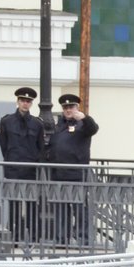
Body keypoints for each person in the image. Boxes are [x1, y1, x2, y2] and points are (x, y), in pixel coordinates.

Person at [48, 93, 99, 245]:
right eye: (65, 107)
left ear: (77, 107)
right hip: (59, 174)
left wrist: (84, 118)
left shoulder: (83, 125)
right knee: (61, 209)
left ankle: (83, 238)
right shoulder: (59, 126)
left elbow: (93, 128)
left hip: (77, 174)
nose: (68, 110)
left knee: (80, 208)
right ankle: (61, 238)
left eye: (71, 107)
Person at [0, 86, 45, 245]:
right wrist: (11, 160)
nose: (25, 104)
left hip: (31, 169)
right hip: (13, 168)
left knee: (32, 205)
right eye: (23, 101)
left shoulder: (38, 124)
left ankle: (33, 237)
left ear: (31, 104)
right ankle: (15, 236)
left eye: (28, 101)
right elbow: (4, 145)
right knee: (14, 205)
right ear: (17, 101)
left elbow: (40, 147)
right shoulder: (6, 121)